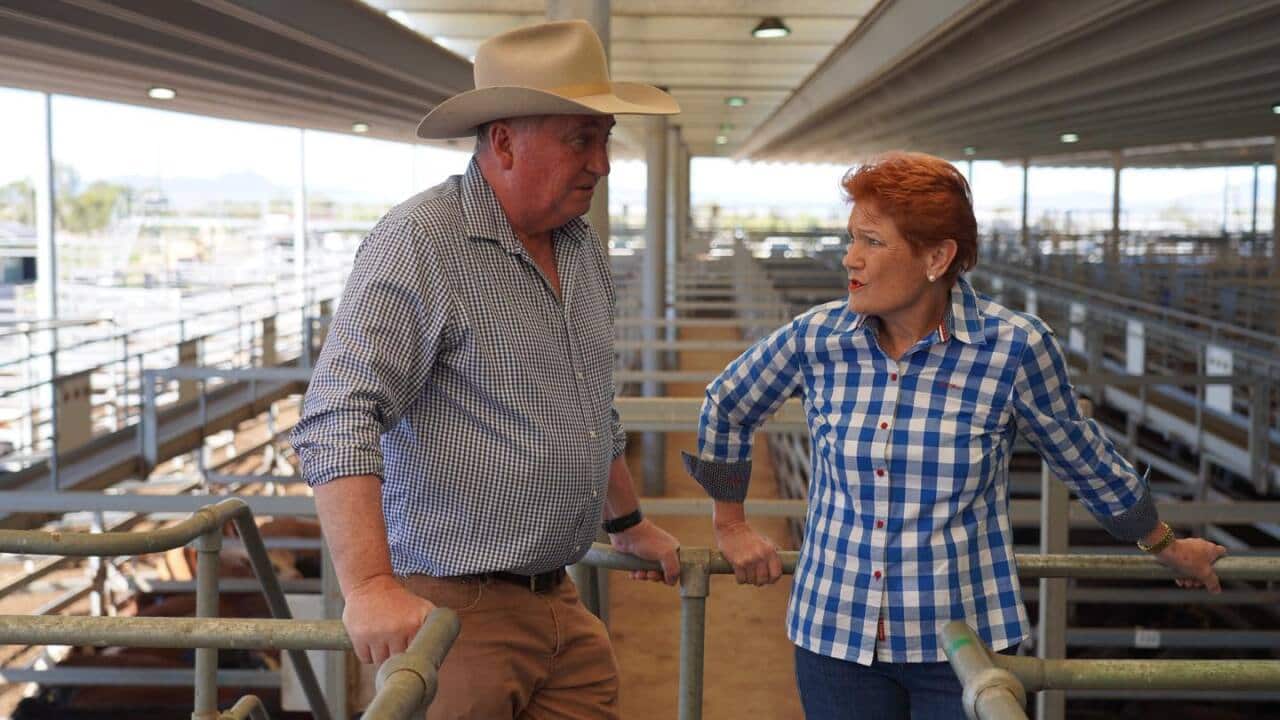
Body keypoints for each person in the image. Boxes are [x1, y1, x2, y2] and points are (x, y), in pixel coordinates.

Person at [681, 152, 1227, 719]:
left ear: (937, 257)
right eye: (852, 239)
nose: (851, 258)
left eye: (871, 241)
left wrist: (1165, 545)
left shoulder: (1014, 348)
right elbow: (727, 403)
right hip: (835, 634)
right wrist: (731, 525)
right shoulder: (818, 338)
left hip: (961, 643)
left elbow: (1084, 461)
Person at [291, 20, 682, 719]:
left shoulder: (581, 248)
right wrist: (371, 584)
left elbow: (591, 410)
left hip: (560, 599)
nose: (603, 162)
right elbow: (338, 413)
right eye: (581, 140)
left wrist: (626, 521)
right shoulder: (422, 242)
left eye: (605, 137)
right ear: (503, 140)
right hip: (453, 610)